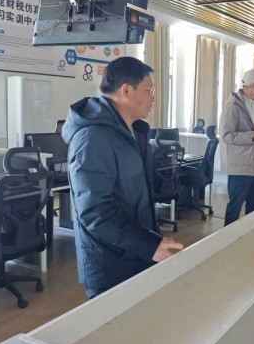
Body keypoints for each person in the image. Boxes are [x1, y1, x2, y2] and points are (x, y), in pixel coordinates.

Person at [62, 56, 183, 298]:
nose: (153, 98)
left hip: (134, 251)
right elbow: (95, 212)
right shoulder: (92, 139)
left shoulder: (132, 132)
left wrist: (149, 241)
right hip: (111, 263)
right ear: (126, 91)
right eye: (149, 90)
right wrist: (147, 244)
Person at [219, 69, 254, 226]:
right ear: (253, 86)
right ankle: (227, 237)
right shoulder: (232, 107)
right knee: (235, 205)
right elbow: (226, 136)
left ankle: (248, 233)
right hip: (241, 166)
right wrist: (253, 135)